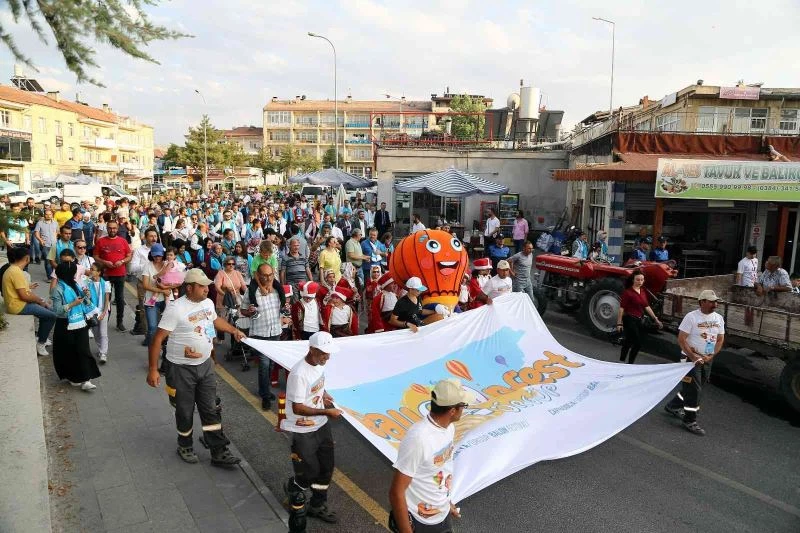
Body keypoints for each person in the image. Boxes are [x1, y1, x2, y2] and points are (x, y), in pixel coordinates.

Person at [146, 268, 245, 466]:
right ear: (189, 288)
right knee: (184, 410)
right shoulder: (176, 309)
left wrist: (233, 330)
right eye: (202, 286)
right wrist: (153, 369)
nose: (207, 290)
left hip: (205, 366)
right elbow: (157, 339)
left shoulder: (207, 303)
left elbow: (215, 320)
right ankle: (185, 444)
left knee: (210, 408)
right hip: (181, 369)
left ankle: (218, 450)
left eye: (207, 286)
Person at [389, 378, 468, 533]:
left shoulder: (449, 428)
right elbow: (396, 492)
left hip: (441, 514)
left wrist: (446, 503)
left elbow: (442, 469)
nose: (464, 409)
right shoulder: (418, 439)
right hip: (420, 521)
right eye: (463, 405)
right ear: (453, 410)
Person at [283, 331, 342, 525]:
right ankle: (294, 489)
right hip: (304, 431)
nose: (328, 357)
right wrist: (327, 412)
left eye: (329, 353)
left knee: (326, 468)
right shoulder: (299, 373)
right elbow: (297, 407)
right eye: (324, 353)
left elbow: (317, 386)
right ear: (312, 349)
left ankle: (317, 505)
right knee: (308, 472)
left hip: (321, 427)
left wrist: (323, 395)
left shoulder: (318, 365)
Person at [664, 290, 725, 436]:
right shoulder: (691, 317)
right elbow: (681, 339)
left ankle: (673, 406)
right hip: (690, 361)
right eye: (711, 301)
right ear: (702, 302)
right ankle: (690, 420)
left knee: (695, 388)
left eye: (716, 301)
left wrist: (711, 355)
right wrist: (693, 356)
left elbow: (720, 339)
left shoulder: (719, 318)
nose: (715, 304)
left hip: (707, 359)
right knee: (695, 390)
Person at [50, 261, 100, 391]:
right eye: (73, 272)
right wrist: (72, 304)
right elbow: (56, 310)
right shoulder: (57, 290)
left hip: (80, 322)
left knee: (83, 350)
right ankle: (73, 377)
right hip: (65, 325)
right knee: (69, 352)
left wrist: (86, 295)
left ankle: (86, 379)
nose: (74, 274)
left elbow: (83, 301)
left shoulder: (76, 285)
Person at [3, 245, 56, 355]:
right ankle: (41, 343)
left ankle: (41, 337)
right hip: (18, 306)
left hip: (18, 303)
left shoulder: (13, 269)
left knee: (49, 311)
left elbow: (25, 292)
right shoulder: (16, 272)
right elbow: (24, 296)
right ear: (27, 258)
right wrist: (39, 301)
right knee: (51, 316)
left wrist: (39, 301)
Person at [248, 264, 283, 410]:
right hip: (260, 334)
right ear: (258, 275)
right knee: (264, 364)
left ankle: (265, 390)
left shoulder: (278, 290)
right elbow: (243, 310)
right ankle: (265, 396)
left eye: (270, 275)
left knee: (271, 365)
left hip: (275, 332)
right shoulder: (252, 291)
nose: (268, 278)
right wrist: (249, 311)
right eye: (264, 275)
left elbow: (284, 309)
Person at [94, 220, 133, 332]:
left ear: (117, 228)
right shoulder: (101, 241)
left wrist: (122, 261)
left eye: (114, 228)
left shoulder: (123, 241)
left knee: (120, 299)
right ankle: (104, 320)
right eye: (110, 228)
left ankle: (119, 322)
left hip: (120, 274)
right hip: (105, 275)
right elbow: (95, 256)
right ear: (107, 228)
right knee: (106, 299)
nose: (112, 230)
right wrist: (105, 262)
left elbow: (129, 255)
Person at [616, 271, 662, 364]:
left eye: (642, 280)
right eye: (637, 279)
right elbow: (621, 308)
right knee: (637, 344)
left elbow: (646, 306)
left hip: (639, 319)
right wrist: (619, 323)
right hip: (629, 319)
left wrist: (655, 319)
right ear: (633, 280)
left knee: (629, 341)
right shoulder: (628, 292)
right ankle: (630, 364)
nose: (640, 282)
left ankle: (621, 361)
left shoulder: (643, 291)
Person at [86, 262, 111, 364]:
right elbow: (86, 299)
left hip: (102, 311)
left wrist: (104, 313)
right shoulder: (87, 282)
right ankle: (101, 349)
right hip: (92, 311)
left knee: (103, 333)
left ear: (99, 272)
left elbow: (107, 300)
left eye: (93, 269)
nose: (90, 271)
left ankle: (103, 353)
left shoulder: (105, 284)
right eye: (90, 269)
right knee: (96, 333)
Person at [33, 208, 58, 278]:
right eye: (46, 214)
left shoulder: (55, 223)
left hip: (53, 244)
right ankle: (49, 277)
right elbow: (36, 233)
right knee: (48, 261)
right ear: (44, 215)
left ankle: (54, 275)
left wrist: (56, 239)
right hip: (45, 244)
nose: (48, 216)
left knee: (53, 260)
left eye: (50, 214)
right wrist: (40, 240)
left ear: (52, 215)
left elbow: (56, 232)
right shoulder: (40, 223)